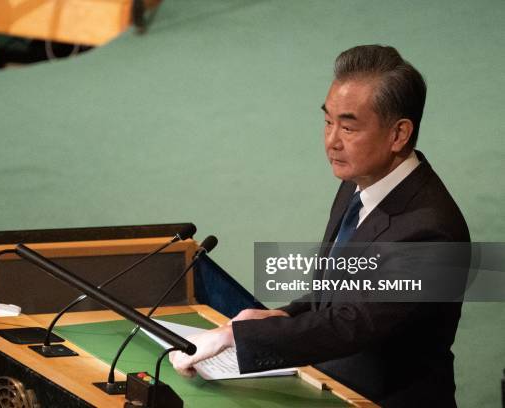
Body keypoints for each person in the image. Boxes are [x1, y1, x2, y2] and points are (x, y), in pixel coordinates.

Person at [170, 45, 470, 407]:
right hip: (332, 386)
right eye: (328, 122)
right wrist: (278, 315)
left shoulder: (431, 232)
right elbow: (333, 296)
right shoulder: (357, 184)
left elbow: (353, 323)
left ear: (398, 135)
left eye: (348, 127)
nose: (331, 141)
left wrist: (237, 335)